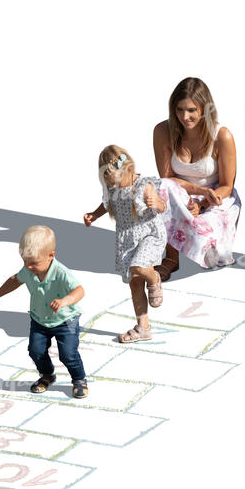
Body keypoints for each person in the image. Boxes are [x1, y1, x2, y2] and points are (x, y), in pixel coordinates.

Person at [0, 225, 88, 399]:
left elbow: (79, 290)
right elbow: (15, 280)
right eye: (25, 262)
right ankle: (47, 375)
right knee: (35, 350)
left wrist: (65, 301)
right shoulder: (28, 270)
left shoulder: (61, 273)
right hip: (40, 319)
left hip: (66, 320)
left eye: (34, 263)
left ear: (51, 256)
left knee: (68, 354)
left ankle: (79, 379)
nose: (29, 267)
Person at [153, 77, 241, 277]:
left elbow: (227, 185)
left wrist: (201, 203)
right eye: (179, 110)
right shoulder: (162, 131)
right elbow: (167, 180)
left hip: (215, 196)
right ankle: (171, 258)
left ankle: (211, 244)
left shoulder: (222, 135)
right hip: (178, 194)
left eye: (191, 110)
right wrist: (191, 197)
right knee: (161, 189)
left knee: (209, 254)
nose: (185, 116)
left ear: (204, 109)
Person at [84, 145, 167, 343]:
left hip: (149, 234)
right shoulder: (113, 188)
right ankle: (143, 327)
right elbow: (107, 205)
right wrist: (94, 215)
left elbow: (162, 205)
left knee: (138, 266)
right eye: (111, 184)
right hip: (127, 240)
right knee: (134, 284)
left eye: (118, 182)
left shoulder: (143, 185)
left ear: (128, 170)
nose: (116, 187)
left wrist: (156, 203)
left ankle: (154, 279)